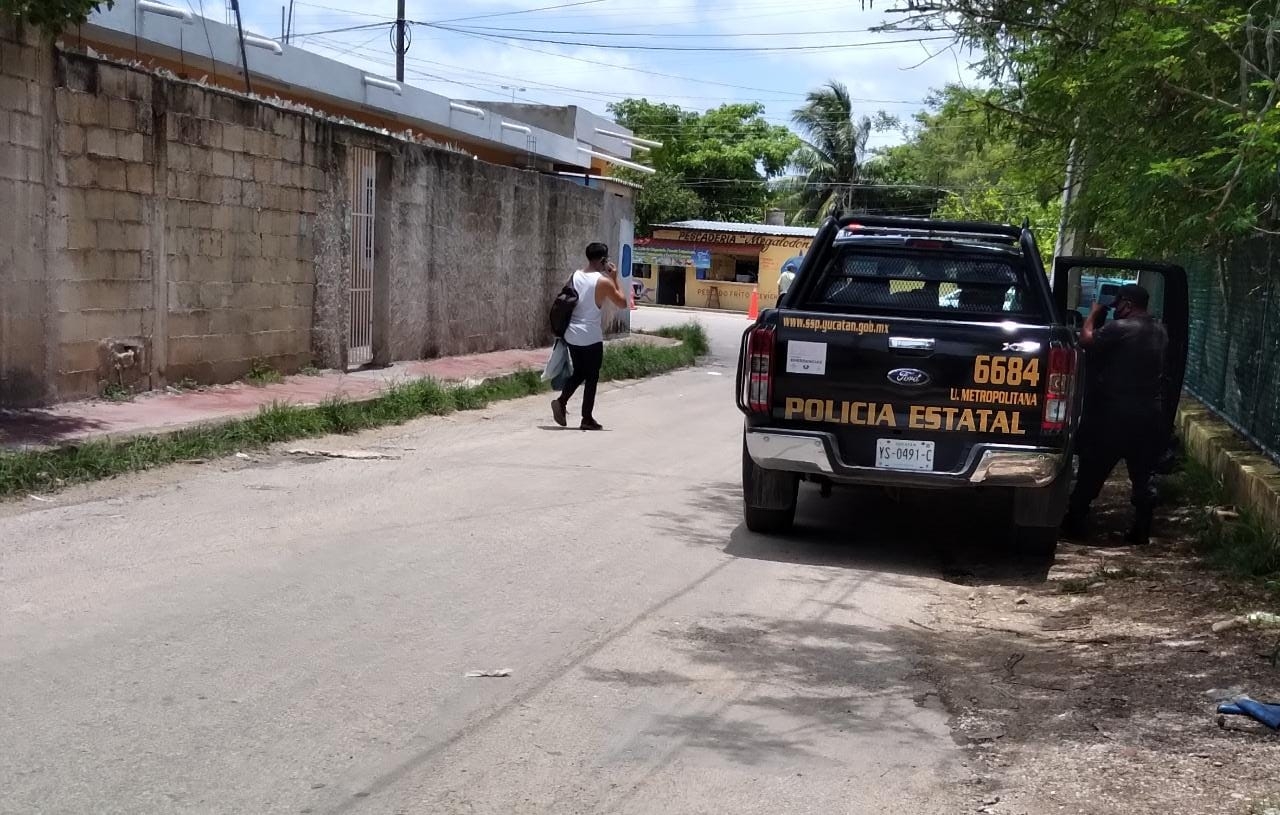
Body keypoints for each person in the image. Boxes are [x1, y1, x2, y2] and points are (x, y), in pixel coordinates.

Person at [1062, 283, 1169, 545]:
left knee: (1093, 468)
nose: (1116, 310)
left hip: (1115, 414)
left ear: (1128, 305)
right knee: (1143, 473)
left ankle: (1075, 521)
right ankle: (1142, 528)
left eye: (1118, 304)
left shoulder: (1119, 328)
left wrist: (1093, 314)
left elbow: (1085, 340)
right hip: (1149, 414)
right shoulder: (1160, 330)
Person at [551, 242, 627, 431]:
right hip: (590, 336)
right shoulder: (603, 282)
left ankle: (561, 401)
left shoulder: (575, 276)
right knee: (591, 375)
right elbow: (623, 303)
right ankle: (586, 417)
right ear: (603, 260)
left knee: (580, 371)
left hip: (572, 333)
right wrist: (615, 278)